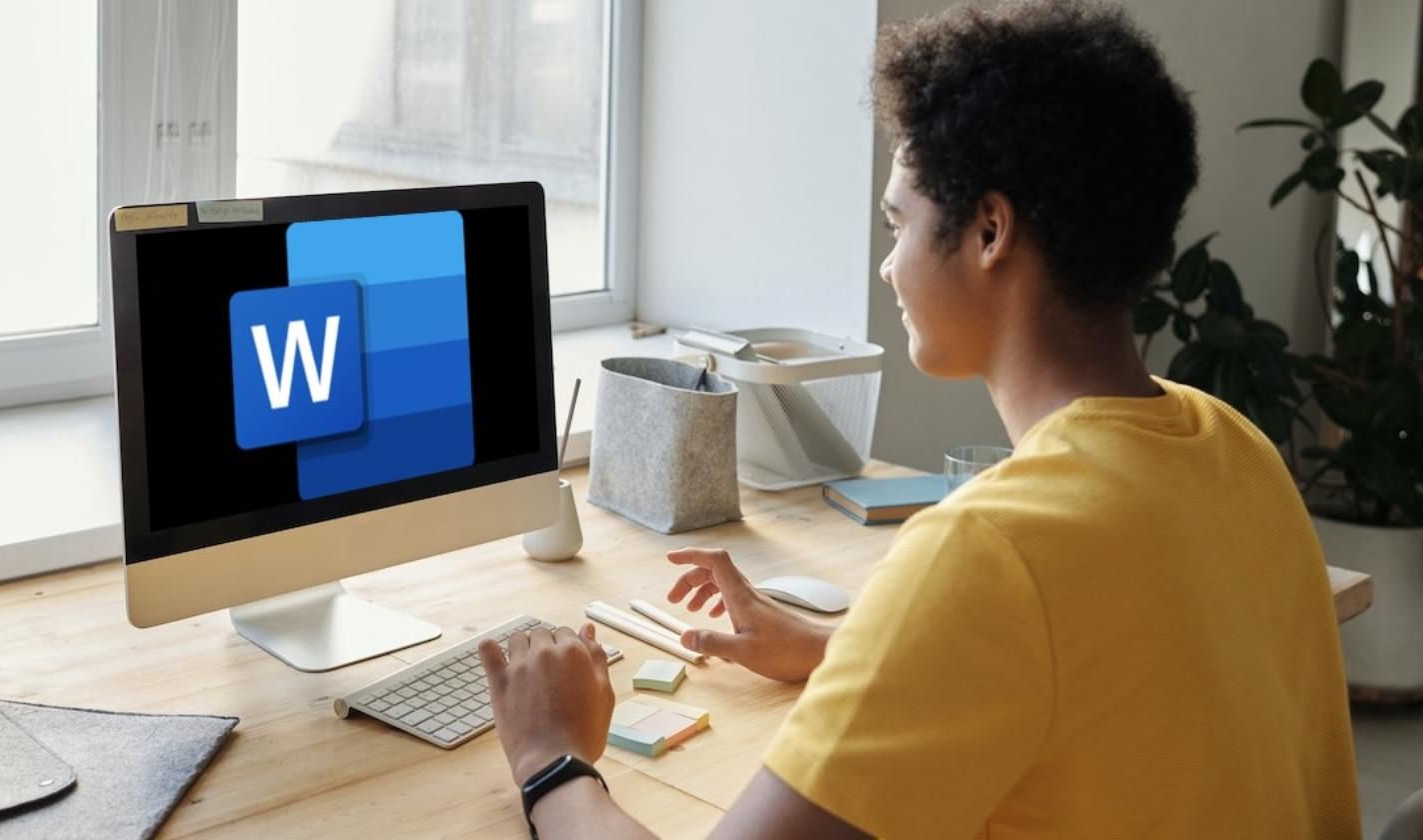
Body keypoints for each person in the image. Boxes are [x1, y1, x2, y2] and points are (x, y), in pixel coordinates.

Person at [477, 1, 1362, 837]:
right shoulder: (1232, 447)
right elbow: (1119, 686)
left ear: (988, 232)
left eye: (898, 223)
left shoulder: (992, 554)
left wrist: (550, 756)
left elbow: (1022, 606)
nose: (888, 267)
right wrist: (846, 654)